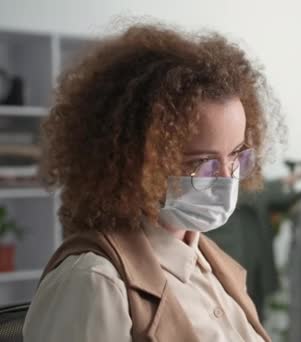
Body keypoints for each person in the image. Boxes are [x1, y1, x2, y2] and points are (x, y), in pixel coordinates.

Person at [23, 23, 285, 342]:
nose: (226, 178)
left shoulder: (212, 261)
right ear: (133, 162)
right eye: (201, 162)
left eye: (236, 156)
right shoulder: (95, 281)